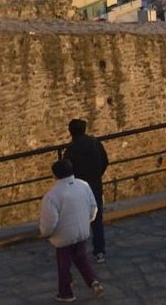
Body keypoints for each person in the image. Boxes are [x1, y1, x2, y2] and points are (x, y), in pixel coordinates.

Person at [39, 155, 103, 303]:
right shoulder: (84, 185)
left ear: (54, 174)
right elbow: (93, 207)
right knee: (81, 258)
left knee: (64, 264)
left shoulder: (51, 196)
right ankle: (93, 281)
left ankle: (66, 292)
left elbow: (50, 221)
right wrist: (86, 221)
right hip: (81, 230)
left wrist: (45, 233)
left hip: (63, 236)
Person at [66, 118, 110, 264]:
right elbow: (105, 161)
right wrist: (97, 175)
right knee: (97, 219)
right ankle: (99, 251)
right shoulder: (95, 143)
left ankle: (79, 253)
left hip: (78, 189)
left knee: (78, 220)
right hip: (95, 185)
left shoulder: (70, 150)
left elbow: (68, 171)